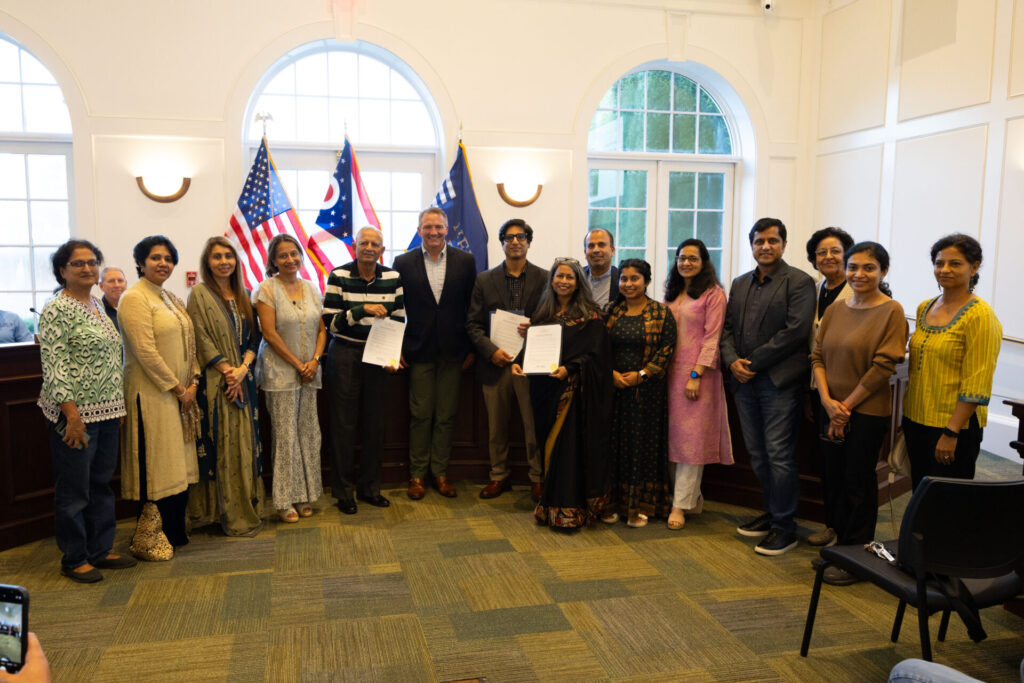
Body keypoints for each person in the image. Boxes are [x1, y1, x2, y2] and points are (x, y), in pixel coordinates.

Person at [37, 239, 135, 583]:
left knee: (100, 485)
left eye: (92, 262)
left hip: (108, 412)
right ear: (62, 270)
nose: (87, 268)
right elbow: (56, 367)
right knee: (75, 490)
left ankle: (100, 549)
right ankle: (75, 557)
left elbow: (111, 361)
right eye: (78, 263)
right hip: (74, 417)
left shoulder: (97, 304)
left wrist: (117, 406)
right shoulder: (55, 309)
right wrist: (73, 417)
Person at [810, 242, 907, 585]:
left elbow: (883, 367)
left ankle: (857, 558)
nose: (859, 274)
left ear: (883, 271)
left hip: (864, 412)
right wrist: (826, 401)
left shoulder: (891, 311)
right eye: (853, 267)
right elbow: (818, 356)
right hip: (830, 406)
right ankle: (840, 546)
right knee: (833, 478)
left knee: (857, 482)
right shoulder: (836, 309)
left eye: (869, 268)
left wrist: (846, 407)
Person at [721, 218, 815, 556]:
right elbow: (727, 329)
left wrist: (752, 363)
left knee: (779, 455)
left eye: (772, 241)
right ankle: (773, 512)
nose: (765, 246)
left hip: (778, 383)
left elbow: (795, 332)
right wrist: (732, 360)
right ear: (752, 245)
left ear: (784, 245)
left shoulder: (801, 282)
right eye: (759, 241)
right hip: (744, 382)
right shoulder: (740, 283)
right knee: (759, 455)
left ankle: (785, 527)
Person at [512, 258, 613, 531]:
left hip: (574, 395)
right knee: (546, 446)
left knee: (567, 451)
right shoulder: (543, 311)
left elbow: (597, 358)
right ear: (552, 280)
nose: (564, 281)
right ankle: (548, 506)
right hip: (543, 390)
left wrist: (569, 369)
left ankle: (570, 508)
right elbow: (532, 346)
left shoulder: (591, 316)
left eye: (570, 277)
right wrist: (518, 362)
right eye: (559, 276)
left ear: (578, 282)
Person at [118, 235, 200, 561]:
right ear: (140, 262)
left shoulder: (169, 297)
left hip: (180, 395)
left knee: (177, 462)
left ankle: (175, 531)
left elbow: (189, 342)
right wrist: (179, 389)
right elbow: (145, 352)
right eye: (155, 257)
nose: (162, 263)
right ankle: (152, 537)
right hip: (152, 394)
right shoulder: (134, 298)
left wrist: (192, 381)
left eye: (168, 258)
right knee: (158, 464)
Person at [903, 233, 1002, 490]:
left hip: (953, 427)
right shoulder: (926, 307)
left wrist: (951, 433)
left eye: (955, 263)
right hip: (916, 419)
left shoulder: (980, 315)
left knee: (948, 500)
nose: (944, 270)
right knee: (919, 492)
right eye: (939, 263)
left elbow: (977, 382)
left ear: (975, 267)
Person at [393, 207, 476, 500]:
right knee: (420, 415)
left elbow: (472, 308)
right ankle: (417, 475)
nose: (433, 232)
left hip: (454, 352)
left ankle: (440, 473)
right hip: (418, 350)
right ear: (419, 231)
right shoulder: (402, 262)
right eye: (427, 227)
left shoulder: (465, 262)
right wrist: (396, 348)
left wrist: (471, 348)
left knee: (445, 416)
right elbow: (395, 309)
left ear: (447, 230)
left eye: (439, 227)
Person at [322, 227, 404, 513]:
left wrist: (393, 355)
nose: (369, 247)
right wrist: (362, 310)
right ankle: (344, 492)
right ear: (354, 246)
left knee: (375, 424)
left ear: (382, 250)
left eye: (375, 244)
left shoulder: (393, 277)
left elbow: (400, 319)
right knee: (343, 424)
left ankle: (370, 488)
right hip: (345, 353)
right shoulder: (338, 275)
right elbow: (330, 323)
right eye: (364, 243)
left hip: (380, 355)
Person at [186, 236, 264, 537]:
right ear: (208, 262)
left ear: (236, 261)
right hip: (217, 383)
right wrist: (227, 370)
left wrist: (243, 370)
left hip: (244, 379)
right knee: (225, 444)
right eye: (217, 257)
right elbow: (200, 337)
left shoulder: (245, 293)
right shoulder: (200, 294)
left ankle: (247, 505)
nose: (223, 262)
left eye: (228, 256)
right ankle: (224, 510)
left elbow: (255, 338)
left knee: (245, 442)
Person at [466, 218, 547, 501]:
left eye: (521, 237)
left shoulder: (546, 278)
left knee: (532, 426)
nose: (515, 241)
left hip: (530, 366)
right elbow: (473, 324)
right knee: (496, 427)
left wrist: (534, 329)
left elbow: (552, 322)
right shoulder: (484, 280)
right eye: (509, 237)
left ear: (528, 241)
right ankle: (498, 475)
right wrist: (491, 351)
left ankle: (537, 477)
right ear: (501, 243)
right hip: (495, 363)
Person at [255, 234, 327, 522]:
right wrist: (298, 364)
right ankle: (285, 500)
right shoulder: (267, 289)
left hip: (310, 372)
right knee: (285, 437)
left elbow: (322, 330)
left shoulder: (311, 288)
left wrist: (314, 361)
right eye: (282, 255)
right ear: (273, 260)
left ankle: (305, 494)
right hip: (280, 374)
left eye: (294, 253)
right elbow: (269, 333)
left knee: (309, 432)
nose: (290, 259)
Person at [664, 239, 734, 530]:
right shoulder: (673, 292)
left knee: (690, 444)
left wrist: (696, 374)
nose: (686, 263)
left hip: (698, 377)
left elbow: (712, 338)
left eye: (692, 258)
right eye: (681, 258)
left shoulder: (714, 294)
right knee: (672, 440)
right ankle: (690, 498)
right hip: (668, 374)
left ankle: (680, 505)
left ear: (704, 262)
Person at [603, 259, 676, 527]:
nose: (628, 284)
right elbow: (598, 348)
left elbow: (666, 350)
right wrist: (611, 374)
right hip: (614, 391)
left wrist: (642, 375)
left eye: (635, 279)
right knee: (613, 447)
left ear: (646, 281)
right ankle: (611, 503)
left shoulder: (661, 313)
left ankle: (639, 506)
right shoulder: (611, 311)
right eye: (623, 279)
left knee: (642, 448)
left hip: (648, 394)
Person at [804, 227, 855, 548]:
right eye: (821, 253)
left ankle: (850, 534)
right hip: (817, 387)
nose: (828, 257)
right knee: (828, 464)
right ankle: (832, 524)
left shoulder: (860, 290)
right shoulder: (814, 289)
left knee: (850, 466)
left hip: (850, 392)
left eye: (835, 251)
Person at [582, 228, 618, 309]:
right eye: (591, 246)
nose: (596, 250)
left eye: (601, 245)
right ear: (585, 252)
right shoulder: (576, 277)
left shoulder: (622, 281)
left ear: (612, 251)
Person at [97, 266, 128, 331]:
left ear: (126, 284)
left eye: (120, 281)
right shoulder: (97, 312)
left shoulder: (136, 307)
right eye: (111, 281)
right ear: (101, 286)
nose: (117, 285)